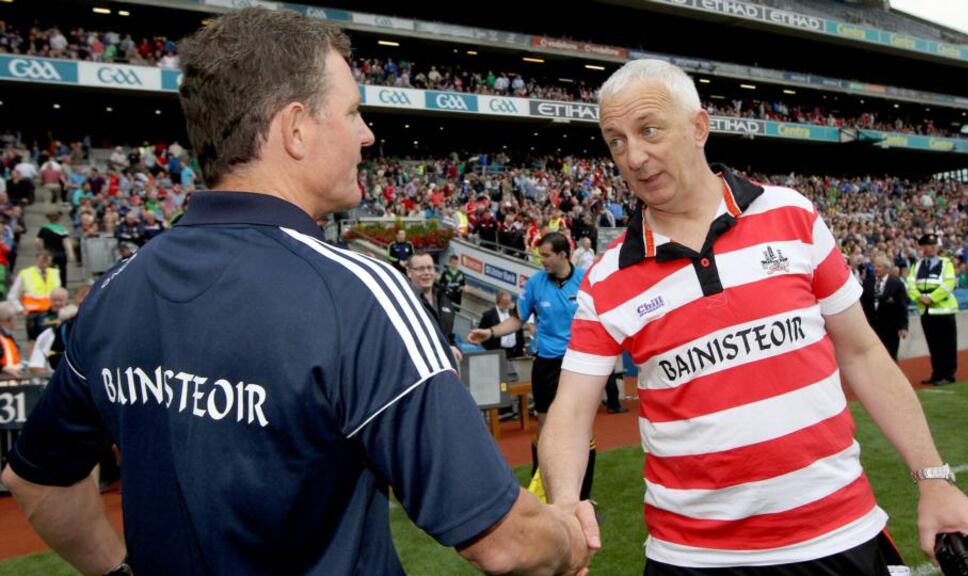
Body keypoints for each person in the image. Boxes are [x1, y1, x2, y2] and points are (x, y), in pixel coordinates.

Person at [1, 9, 594, 576]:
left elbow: (36, 480)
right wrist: (567, 538)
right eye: (353, 112)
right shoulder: (358, 294)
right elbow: (503, 541)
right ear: (296, 129)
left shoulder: (117, 289)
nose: (367, 134)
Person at [539, 59, 968, 575]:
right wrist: (564, 503)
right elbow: (570, 410)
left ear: (699, 127)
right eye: (615, 140)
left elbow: (862, 353)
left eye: (650, 130)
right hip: (692, 557)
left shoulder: (792, 214)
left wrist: (934, 478)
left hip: (839, 536)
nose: (634, 156)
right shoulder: (606, 276)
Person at [468, 232, 597, 501]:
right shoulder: (536, 283)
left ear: (564, 254)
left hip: (578, 363)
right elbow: (517, 319)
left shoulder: (586, 279)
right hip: (547, 364)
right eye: (541, 257)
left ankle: (583, 495)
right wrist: (490, 333)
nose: (543, 262)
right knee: (545, 426)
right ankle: (542, 485)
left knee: (581, 426)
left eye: (547, 256)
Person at [907, 234, 958, 385]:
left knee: (947, 344)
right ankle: (937, 373)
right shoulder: (917, 265)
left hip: (944, 310)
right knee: (933, 345)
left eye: (934, 244)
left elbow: (948, 284)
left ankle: (948, 374)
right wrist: (919, 297)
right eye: (929, 245)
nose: (933, 247)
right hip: (926, 311)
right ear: (923, 247)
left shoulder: (945, 263)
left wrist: (932, 298)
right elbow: (910, 284)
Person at [407, 251, 462, 364]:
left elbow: (448, 335)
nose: (426, 272)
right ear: (409, 272)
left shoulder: (444, 299)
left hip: (444, 368)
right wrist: (445, 349)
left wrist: (452, 346)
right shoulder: (403, 301)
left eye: (429, 268)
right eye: (420, 269)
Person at [7, 250, 62, 340]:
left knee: (53, 341)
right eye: (42, 259)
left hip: (53, 313)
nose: (45, 262)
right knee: (33, 341)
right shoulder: (25, 273)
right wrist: (20, 309)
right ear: (37, 259)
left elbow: (60, 292)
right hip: (33, 314)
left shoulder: (55, 272)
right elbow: (12, 296)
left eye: (47, 260)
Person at [872, 256, 909, 361]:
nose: (876, 268)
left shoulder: (897, 284)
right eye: (874, 266)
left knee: (891, 356)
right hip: (873, 328)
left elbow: (903, 306)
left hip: (891, 328)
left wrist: (904, 326)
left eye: (879, 266)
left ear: (886, 268)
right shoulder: (868, 283)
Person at [478, 290, 525, 359]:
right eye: (504, 303)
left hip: (513, 352)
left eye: (508, 302)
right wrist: (489, 350)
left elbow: (519, 333)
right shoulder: (489, 315)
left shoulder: (514, 314)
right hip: (496, 351)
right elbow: (482, 334)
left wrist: (521, 350)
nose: (507, 305)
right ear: (499, 301)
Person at [0, 301, 23, 379]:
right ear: (8, 319)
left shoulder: (7, 337)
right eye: (15, 316)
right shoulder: (2, 338)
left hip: (9, 382)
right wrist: (3, 369)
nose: (16, 319)